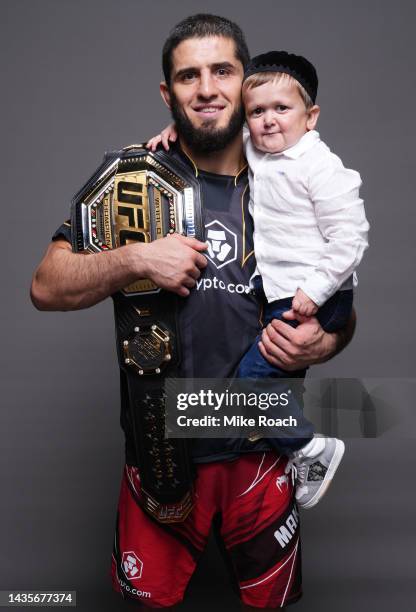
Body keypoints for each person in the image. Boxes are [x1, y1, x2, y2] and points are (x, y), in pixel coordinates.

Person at [31, 14, 356, 611]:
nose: (206, 88)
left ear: (246, 81)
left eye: (222, 71)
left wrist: (325, 344)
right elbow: (47, 285)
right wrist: (135, 257)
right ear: (168, 93)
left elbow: (339, 297)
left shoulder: (289, 177)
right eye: (188, 76)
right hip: (160, 452)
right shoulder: (135, 178)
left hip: (262, 448)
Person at [148, 50, 369, 511]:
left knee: (249, 387)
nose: (267, 121)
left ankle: (311, 449)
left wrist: (315, 293)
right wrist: (176, 134)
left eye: (281, 110)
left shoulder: (320, 165)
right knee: (261, 387)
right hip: (285, 293)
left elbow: (350, 238)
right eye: (257, 112)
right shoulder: (258, 149)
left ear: (311, 117)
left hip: (312, 293)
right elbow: (209, 138)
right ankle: (294, 450)